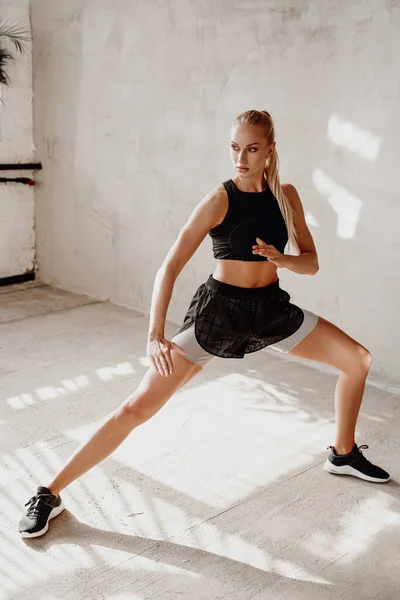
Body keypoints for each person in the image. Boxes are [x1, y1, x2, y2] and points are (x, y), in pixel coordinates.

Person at [19, 109, 390, 539]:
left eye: (252, 149)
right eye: (235, 148)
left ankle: (343, 454)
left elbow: (311, 263)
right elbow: (170, 265)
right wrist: (154, 335)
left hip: (270, 309)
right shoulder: (220, 198)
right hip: (220, 313)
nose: (241, 158)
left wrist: (281, 259)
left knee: (357, 360)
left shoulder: (286, 196)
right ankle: (48, 492)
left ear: (270, 150)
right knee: (136, 408)